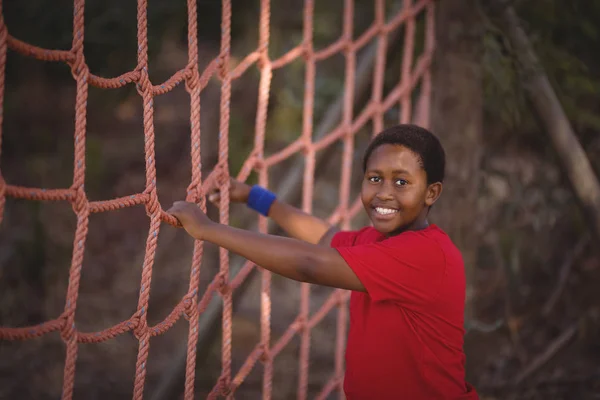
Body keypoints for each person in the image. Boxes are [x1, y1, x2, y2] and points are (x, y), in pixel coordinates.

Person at [168, 124, 478, 399]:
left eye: (401, 182)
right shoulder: (379, 241)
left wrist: (208, 229)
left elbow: (309, 263)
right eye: (374, 178)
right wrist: (254, 196)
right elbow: (325, 236)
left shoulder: (426, 255)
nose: (384, 193)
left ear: (431, 192)